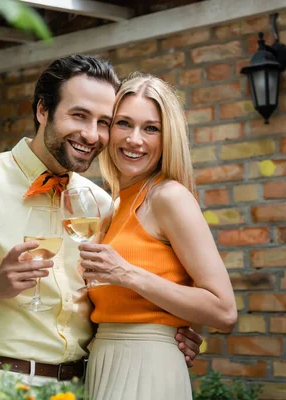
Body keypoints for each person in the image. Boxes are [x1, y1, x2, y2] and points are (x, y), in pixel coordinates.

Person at [0, 56, 201, 386]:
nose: (91, 134)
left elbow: (116, 296)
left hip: (82, 386)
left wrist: (165, 333)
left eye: (104, 122)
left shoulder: (102, 204)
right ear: (42, 111)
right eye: (79, 115)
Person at [78, 73, 238, 400]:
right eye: (124, 123)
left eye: (151, 128)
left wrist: (127, 274)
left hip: (147, 368)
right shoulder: (115, 205)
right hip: (105, 362)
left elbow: (224, 311)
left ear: (168, 138)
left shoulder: (168, 197)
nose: (135, 139)